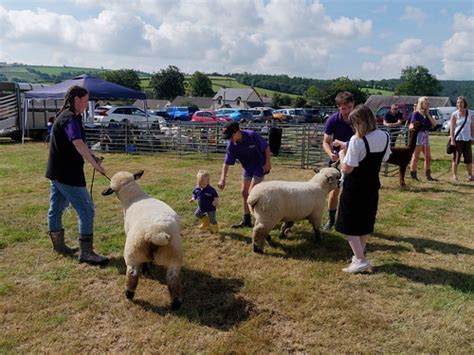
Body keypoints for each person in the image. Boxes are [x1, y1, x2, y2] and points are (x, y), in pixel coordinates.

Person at [46, 85, 108, 265]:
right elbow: (78, 143)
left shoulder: (65, 116)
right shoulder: (70, 118)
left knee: (56, 209)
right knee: (87, 210)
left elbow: (74, 145)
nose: (87, 105)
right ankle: (86, 252)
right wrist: (95, 164)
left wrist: (93, 157)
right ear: (77, 100)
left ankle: (58, 246)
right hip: (67, 175)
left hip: (56, 172)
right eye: (86, 101)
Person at [333, 105, 391, 273]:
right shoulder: (385, 136)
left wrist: (343, 153)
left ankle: (360, 259)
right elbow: (385, 157)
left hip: (354, 187)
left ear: (359, 123)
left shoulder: (357, 140)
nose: (352, 127)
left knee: (347, 223)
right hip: (372, 184)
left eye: (353, 124)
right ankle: (358, 255)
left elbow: (347, 168)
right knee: (365, 221)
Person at [218, 121, 271, 228]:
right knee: (244, 192)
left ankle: (261, 220)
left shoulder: (252, 135)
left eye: (230, 136)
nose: (229, 139)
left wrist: (267, 163)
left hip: (259, 166)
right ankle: (247, 219)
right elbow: (227, 163)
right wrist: (222, 179)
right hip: (247, 168)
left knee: (252, 193)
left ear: (237, 131)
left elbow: (266, 147)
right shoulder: (232, 145)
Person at [322, 91, 355, 230]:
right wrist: (331, 154)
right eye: (343, 108)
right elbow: (326, 141)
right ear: (338, 107)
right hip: (337, 159)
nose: (347, 111)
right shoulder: (333, 120)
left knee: (353, 191)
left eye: (349, 107)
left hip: (355, 158)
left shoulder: (359, 119)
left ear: (353, 105)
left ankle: (351, 219)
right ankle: (331, 220)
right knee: (334, 191)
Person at [409, 96, 438, 181]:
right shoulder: (416, 113)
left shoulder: (427, 114)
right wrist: (412, 127)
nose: (428, 104)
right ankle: (413, 174)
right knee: (416, 156)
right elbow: (411, 124)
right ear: (421, 104)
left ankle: (428, 175)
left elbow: (434, 124)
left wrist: (428, 114)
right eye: (426, 103)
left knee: (428, 157)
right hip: (419, 135)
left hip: (426, 135)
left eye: (428, 103)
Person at [450, 96, 474, 182]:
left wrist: (472, 137)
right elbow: (452, 128)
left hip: (467, 139)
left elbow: (472, 126)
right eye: (458, 103)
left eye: (461, 102)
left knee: (469, 158)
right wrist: (452, 140)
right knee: (456, 158)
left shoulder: (471, 113)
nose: (459, 104)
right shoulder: (454, 114)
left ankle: (470, 175)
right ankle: (454, 175)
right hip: (458, 139)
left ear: (464, 103)